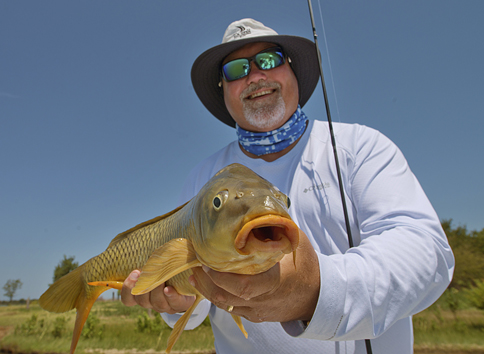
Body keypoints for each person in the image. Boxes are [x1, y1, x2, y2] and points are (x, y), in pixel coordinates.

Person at [121, 18, 454, 353]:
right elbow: (198, 297)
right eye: (236, 70)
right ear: (223, 89)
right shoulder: (202, 177)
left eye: (269, 60)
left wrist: (316, 290)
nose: (254, 76)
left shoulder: (360, 147)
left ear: (292, 69)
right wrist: (177, 301)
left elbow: (427, 255)